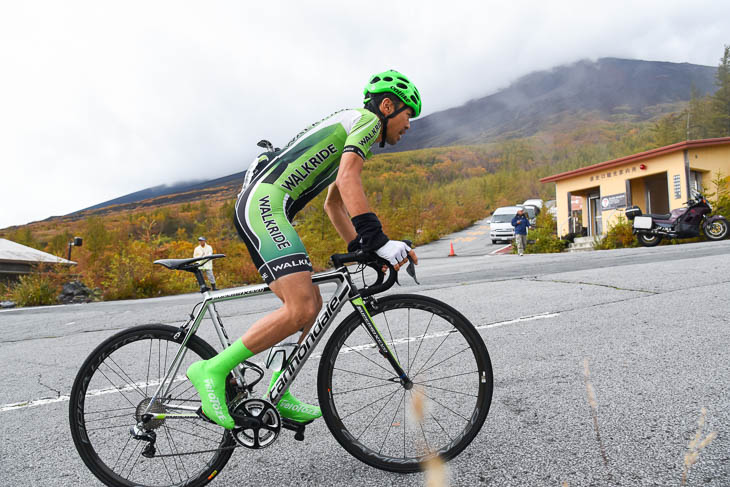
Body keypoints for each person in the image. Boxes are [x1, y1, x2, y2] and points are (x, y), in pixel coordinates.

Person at [186, 70, 421, 429]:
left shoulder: (353, 128)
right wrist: (377, 240)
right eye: (408, 115)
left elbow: (334, 204)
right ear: (388, 106)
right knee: (303, 306)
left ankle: (280, 388)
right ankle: (212, 370)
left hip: (264, 207)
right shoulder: (368, 121)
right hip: (266, 207)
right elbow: (347, 179)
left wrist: (360, 247)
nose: (408, 125)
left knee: (308, 305)